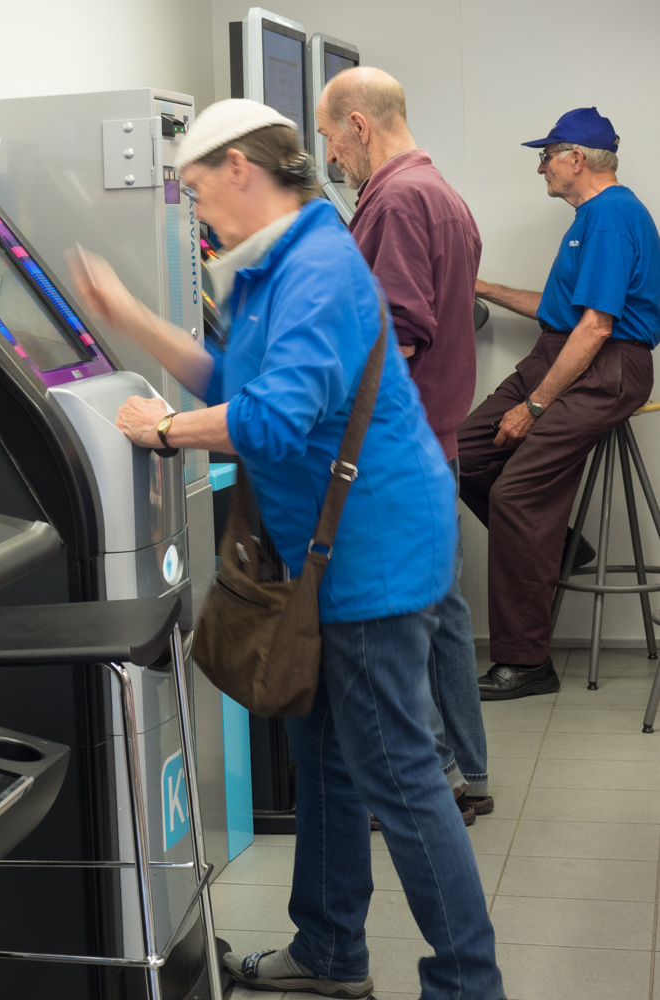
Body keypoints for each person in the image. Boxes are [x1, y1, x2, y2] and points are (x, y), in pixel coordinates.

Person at [67, 99, 503, 1000]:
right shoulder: (282, 264)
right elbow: (236, 380)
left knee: (399, 774)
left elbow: (271, 417)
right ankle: (330, 953)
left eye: (196, 190)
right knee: (329, 760)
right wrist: (129, 318)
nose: (197, 211)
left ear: (239, 168)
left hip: (372, 553)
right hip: (333, 550)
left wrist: (163, 432)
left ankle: (467, 986)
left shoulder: (315, 267)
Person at [316, 67, 491, 822]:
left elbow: (394, 338)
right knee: (443, 612)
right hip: (437, 440)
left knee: (400, 621)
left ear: (358, 125)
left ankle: (433, 782)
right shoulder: (443, 195)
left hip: (394, 449)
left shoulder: (393, 200)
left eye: (328, 138)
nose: (330, 156)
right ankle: (467, 773)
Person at [460, 107, 660, 700]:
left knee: (515, 494)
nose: (540, 167)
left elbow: (597, 328)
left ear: (576, 157)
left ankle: (526, 664)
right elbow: (562, 313)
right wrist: (480, 286)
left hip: (606, 369)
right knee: (461, 455)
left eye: (545, 155)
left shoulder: (610, 217)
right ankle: (566, 547)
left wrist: (537, 407)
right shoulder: (591, 218)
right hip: (563, 354)